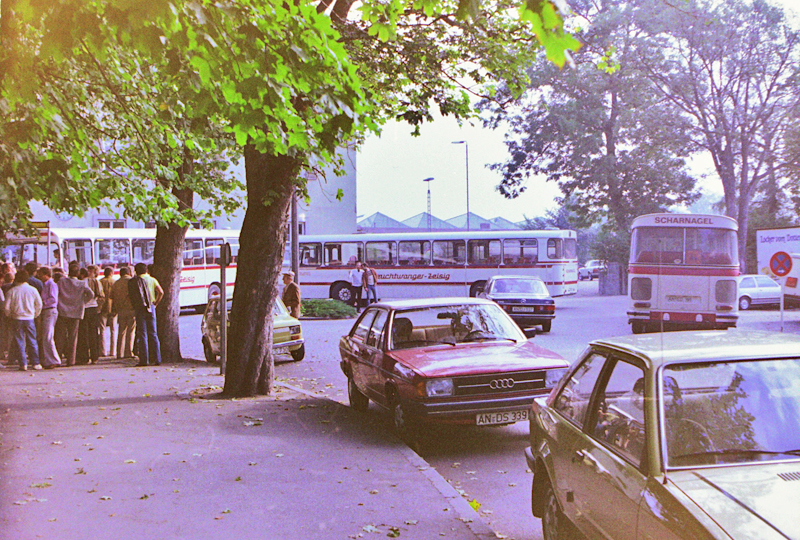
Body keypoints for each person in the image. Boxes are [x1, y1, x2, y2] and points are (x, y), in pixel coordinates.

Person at [4, 270, 43, 371]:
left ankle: (23, 363)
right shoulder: (33, 290)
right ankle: (35, 362)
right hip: (29, 318)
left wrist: (10, 315)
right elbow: (39, 304)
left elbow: (7, 307)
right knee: (32, 340)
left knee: (19, 341)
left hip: (16, 318)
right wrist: (35, 314)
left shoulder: (12, 291)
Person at [56, 264, 94, 366]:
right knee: (73, 337)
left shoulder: (61, 282)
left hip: (62, 311)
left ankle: (58, 359)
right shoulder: (81, 284)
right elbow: (91, 294)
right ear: (78, 273)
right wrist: (83, 302)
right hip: (76, 312)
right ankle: (71, 360)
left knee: (60, 336)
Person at [128, 262, 163, 367]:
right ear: (146, 270)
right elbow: (161, 292)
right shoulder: (152, 279)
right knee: (153, 333)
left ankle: (144, 360)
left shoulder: (134, 281)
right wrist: (155, 303)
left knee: (142, 333)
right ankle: (157, 358)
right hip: (151, 307)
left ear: (136, 271)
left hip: (140, 308)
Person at [37, 266, 61, 368]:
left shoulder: (52, 285)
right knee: (46, 336)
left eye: (41, 274)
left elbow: (53, 299)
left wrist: (42, 303)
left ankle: (53, 360)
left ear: (46, 275)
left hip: (50, 310)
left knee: (48, 336)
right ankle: (50, 359)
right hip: (46, 311)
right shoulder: (46, 285)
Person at [110, 266, 136, 359]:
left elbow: (111, 297)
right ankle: (128, 352)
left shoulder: (116, 283)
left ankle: (119, 353)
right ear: (129, 273)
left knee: (121, 331)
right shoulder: (132, 281)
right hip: (131, 308)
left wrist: (114, 309)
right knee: (131, 331)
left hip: (120, 309)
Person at [98, 267, 117, 357]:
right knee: (113, 330)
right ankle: (113, 351)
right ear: (111, 273)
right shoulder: (114, 282)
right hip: (113, 307)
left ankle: (103, 351)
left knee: (102, 329)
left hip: (102, 308)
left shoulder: (100, 282)